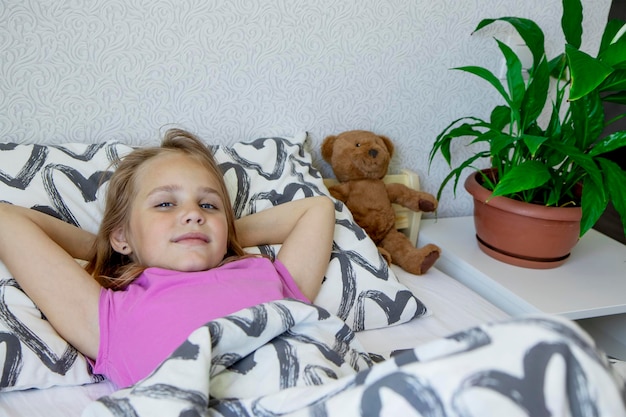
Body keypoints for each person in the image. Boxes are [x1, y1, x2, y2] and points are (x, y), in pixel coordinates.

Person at [0, 129, 335, 388]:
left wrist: (223, 236)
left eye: (208, 205)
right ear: (122, 236)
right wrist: (109, 244)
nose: (192, 214)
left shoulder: (266, 275)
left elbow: (316, 208)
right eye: (165, 204)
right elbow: (6, 221)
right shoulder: (111, 314)